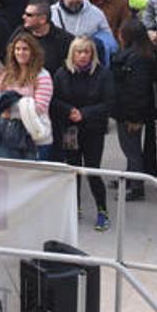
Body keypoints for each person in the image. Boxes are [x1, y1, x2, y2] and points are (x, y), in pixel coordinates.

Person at [52, 37, 114, 230]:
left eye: (87, 52)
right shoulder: (62, 73)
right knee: (73, 170)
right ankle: (74, 207)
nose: (83, 56)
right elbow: (53, 100)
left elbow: (109, 103)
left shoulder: (102, 74)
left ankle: (102, 210)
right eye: (79, 52)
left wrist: (85, 113)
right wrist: (69, 111)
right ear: (72, 54)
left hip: (93, 129)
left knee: (93, 170)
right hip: (70, 129)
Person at [112, 20, 157, 200]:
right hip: (130, 110)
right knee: (132, 148)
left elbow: (137, 91)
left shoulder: (137, 59)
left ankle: (136, 185)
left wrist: (134, 118)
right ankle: (131, 177)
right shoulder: (143, 55)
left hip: (130, 112)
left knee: (131, 149)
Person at [0, 33, 52, 159]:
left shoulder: (42, 75)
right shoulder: (5, 74)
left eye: (25, 49)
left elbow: (39, 108)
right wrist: (23, 104)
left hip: (34, 136)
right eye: (17, 49)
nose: (21, 52)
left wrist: (11, 109)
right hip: (6, 135)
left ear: (33, 52)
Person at [13, 0, 75, 76]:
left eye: (29, 15)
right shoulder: (20, 33)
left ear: (42, 19)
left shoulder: (64, 40)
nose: (23, 17)